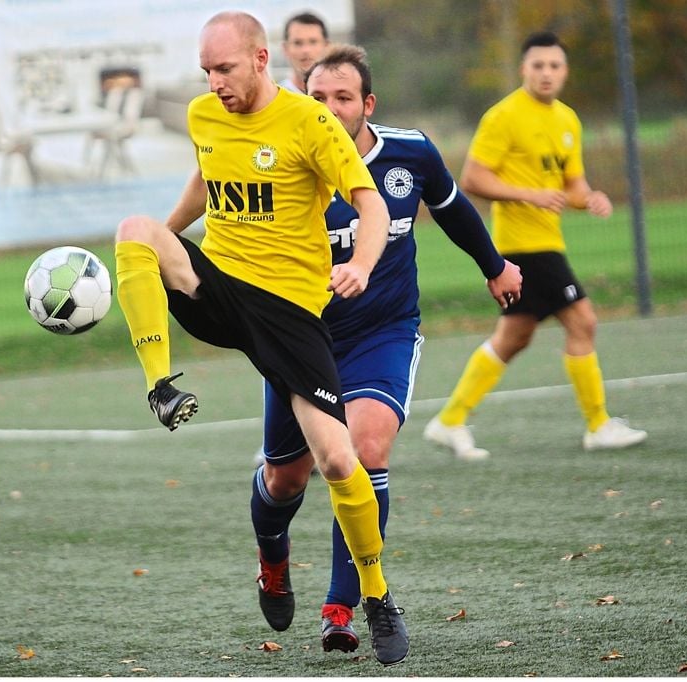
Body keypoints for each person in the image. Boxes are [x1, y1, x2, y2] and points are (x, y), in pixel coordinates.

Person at [113, 11, 409, 666]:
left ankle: (376, 595)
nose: (214, 83)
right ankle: (160, 385)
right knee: (135, 228)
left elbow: (371, 204)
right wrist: (163, 240)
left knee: (334, 461)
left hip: (290, 313)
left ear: (259, 59)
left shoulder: (310, 123)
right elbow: (206, 177)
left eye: (224, 69)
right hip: (220, 288)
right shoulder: (202, 116)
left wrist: (359, 263)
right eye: (205, 71)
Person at [250, 44, 522, 654]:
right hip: (301, 339)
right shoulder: (285, 165)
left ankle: (343, 607)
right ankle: (272, 558)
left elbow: (452, 209)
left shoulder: (408, 153)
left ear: (366, 104)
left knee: (366, 449)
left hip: (384, 331)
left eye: (342, 97)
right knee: (286, 478)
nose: (329, 107)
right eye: (317, 98)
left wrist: (495, 265)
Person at [423, 30, 647, 460]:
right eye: (538, 66)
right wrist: (529, 194)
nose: (546, 74)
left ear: (564, 72)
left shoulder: (567, 120)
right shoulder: (504, 116)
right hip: (522, 247)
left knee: (515, 336)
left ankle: (450, 420)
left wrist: (590, 198)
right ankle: (598, 424)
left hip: (547, 241)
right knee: (583, 322)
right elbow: (472, 179)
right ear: (524, 69)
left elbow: (572, 185)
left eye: (555, 66)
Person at [279, 11, 328, 94]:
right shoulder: (274, 99)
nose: (306, 50)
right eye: (297, 43)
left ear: (326, 47)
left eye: (313, 42)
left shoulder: (342, 96)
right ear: (285, 49)